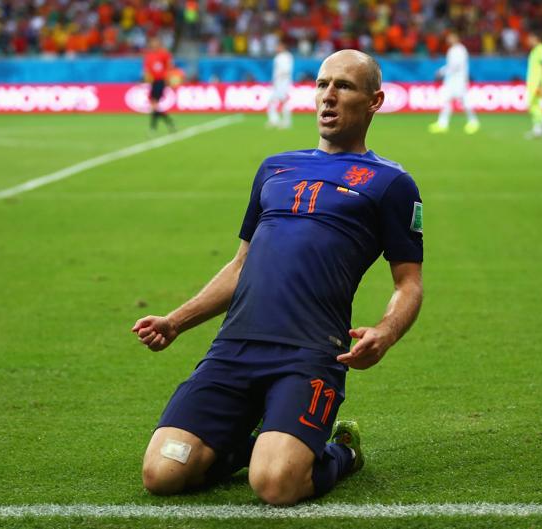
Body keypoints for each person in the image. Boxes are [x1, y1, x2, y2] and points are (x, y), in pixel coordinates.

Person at [132, 49, 424, 506]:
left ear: (375, 101)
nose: (328, 96)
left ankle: (341, 451)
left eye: (344, 86)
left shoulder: (391, 183)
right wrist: (175, 321)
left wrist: (384, 335)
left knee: (276, 485)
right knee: (162, 473)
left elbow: (409, 283)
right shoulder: (275, 167)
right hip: (234, 349)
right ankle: (254, 442)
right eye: (323, 84)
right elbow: (240, 265)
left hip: (308, 355)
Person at [428, 33, 480, 135]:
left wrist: (442, 71)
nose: (448, 39)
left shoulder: (460, 50)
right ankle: (442, 124)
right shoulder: (453, 50)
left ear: (456, 38)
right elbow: (452, 66)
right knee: (445, 100)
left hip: (459, 80)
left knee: (464, 101)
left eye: (451, 38)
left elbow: (455, 66)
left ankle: (473, 122)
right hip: (451, 80)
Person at [143, 36, 176, 133]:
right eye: (152, 43)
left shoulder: (164, 54)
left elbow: (169, 65)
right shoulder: (149, 56)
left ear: (159, 44)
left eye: (156, 43)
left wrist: (168, 78)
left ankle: (153, 127)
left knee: (154, 104)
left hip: (161, 80)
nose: (154, 45)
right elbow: (147, 70)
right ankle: (169, 122)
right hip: (153, 81)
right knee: (154, 105)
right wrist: (147, 78)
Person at [525, 31, 542, 139]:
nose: (527, 41)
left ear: (535, 38)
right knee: (535, 105)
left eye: (529, 38)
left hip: (538, 82)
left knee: (532, 104)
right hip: (533, 82)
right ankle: (538, 129)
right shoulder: (535, 50)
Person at [266, 41, 294, 129]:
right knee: (272, 101)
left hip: (282, 82)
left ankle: (286, 121)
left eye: (278, 46)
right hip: (279, 82)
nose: (276, 48)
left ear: (282, 47)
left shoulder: (285, 57)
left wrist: (280, 81)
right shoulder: (280, 57)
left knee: (282, 101)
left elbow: (286, 71)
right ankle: (275, 120)